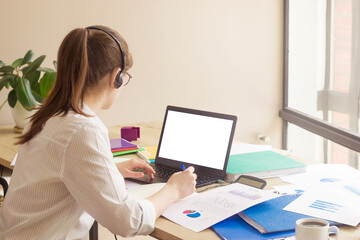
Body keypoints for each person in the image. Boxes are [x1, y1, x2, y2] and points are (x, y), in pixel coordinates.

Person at [0, 25, 197, 239]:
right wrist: (174, 189)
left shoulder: (45, 114)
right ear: (117, 77)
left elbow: (57, 169)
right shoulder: (83, 129)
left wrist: (108, 169)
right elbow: (128, 221)